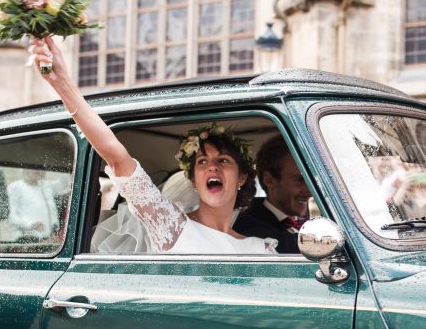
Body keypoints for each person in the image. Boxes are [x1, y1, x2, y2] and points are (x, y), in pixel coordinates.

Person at [30, 36, 275, 255]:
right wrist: (60, 81)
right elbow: (117, 158)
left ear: (242, 177)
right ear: (193, 180)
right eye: (202, 162)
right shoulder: (171, 225)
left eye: (223, 160)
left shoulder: (260, 249)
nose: (212, 168)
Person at [233, 136, 310, 254]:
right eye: (299, 180)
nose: (309, 192)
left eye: (309, 181)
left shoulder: (303, 222)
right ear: (269, 179)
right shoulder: (249, 226)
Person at [7, 168, 59, 241]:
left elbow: (65, 182)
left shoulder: (46, 186)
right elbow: (12, 217)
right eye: (33, 168)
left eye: (40, 167)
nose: (37, 170)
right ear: (25, 169)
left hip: (47, 240)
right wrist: (30, 224)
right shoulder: (15, 187)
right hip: (25, 240)